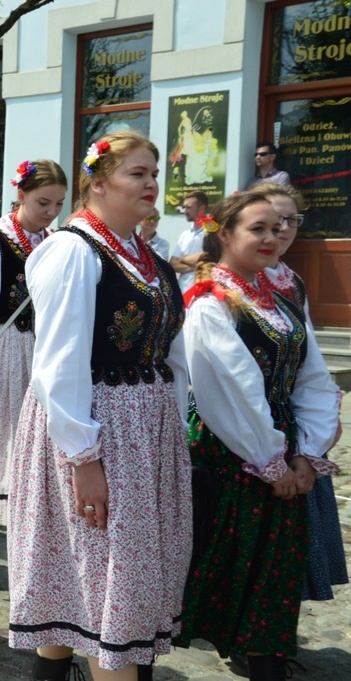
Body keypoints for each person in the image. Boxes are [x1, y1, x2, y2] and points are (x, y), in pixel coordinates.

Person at [6, 132, 190, 681]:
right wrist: (83, 458)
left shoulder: (147, 258)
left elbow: (171, 355)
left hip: (144, 436)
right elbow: (58, 365)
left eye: (153, 173)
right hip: (95, 432)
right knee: (99, 579)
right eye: (137, 173)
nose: (151, 183)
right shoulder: (74, 251)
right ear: (100, 183)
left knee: (98, 583)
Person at [173, 192, 340, 681]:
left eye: (278, 227)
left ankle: (268, 661)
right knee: (230, 572)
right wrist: (270, 459)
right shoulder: (210, 303)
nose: (273, 237)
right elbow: (231, 391)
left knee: (275, 578)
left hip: (284, 450)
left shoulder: (280, 299)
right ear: (224, 234)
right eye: (258, 228)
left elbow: (313, 376)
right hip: (234, 455)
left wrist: (308, 452)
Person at [0, 159, 67, 594]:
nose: (50, 212)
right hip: (3, 352)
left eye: (58, 204)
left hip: (41, 352)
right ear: (20, 196)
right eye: (43, 203)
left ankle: (28, 552)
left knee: (35, 453)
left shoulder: (54, 242)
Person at [244, 182, 347, 606]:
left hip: (290, 420)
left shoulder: (292, 281)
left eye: (291, 220)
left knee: (293, 538)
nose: (282, 229)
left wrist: (316, 429)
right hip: (247, 424)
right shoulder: (230, 281)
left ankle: (277, 621)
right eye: (271, 221)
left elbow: (309, 357)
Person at [169, 190, 209, 293]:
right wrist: (198, 265)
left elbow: (209, 258)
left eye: (189, 207)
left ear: (202, 209)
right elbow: (173, 264)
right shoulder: (185, 235)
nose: (185, 211)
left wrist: (183, 259)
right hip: (183, 292)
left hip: (203, 292)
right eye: (184, 207)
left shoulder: (212, 233)